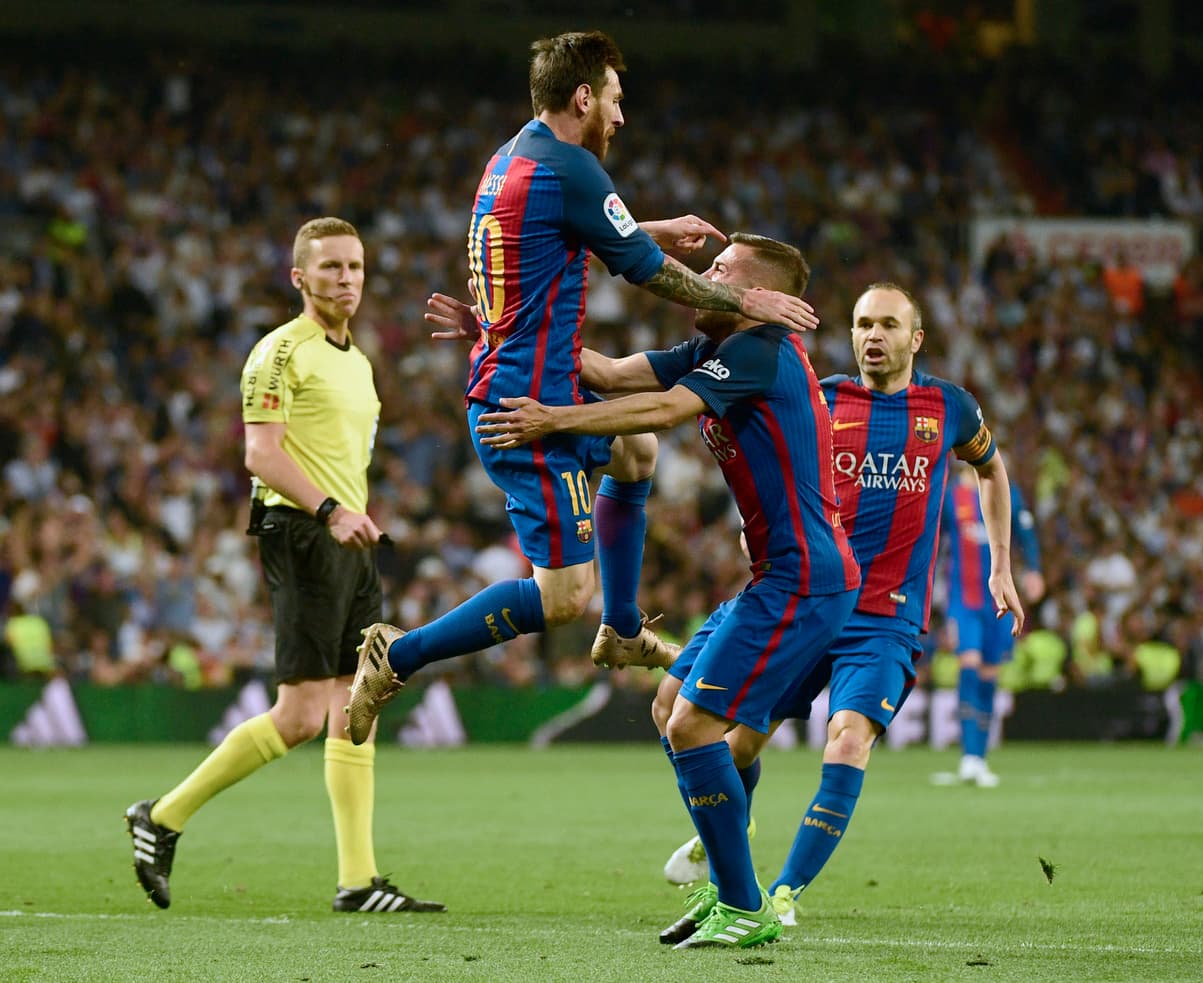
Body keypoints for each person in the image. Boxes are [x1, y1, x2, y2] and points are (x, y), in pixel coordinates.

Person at [355, 234, 859, 949]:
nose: (702, 278)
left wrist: (553, 418)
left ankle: (742, 903)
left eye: (721, 271)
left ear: (758, 293)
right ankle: (728, 887)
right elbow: (613, 371)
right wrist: (501, 337)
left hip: (804, 581)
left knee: (693, 727)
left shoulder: (759, 351)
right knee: (668, 705)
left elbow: (657, 414)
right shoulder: (719, 351)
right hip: (781, 577)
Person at [343, 32, 820, 746]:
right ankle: (396, 653)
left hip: (529, 374)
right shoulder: (572, 168)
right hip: (524, 408)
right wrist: (748, 302)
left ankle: (623, 631)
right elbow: (647, 272)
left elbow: (555, 236)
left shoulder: (513, 158)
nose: (622, 119)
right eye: (617, 101)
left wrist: (647, 228)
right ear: (585, 97)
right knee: (564, 597)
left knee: (635, 452)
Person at [657, 282, 1027, 931]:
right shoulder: (821, 396)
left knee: (847, 738)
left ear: (916, 338)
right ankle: (728, 847)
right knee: (734, 744)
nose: (872, 336)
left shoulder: (951, 409)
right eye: (861, 323)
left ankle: (781, 894)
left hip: (885, 619)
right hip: (812, 599)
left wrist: (1000, 563)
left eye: (888, 324)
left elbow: (991, 469)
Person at [125, 218, 444, 915]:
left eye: (355, 267)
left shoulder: (357, 359)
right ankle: (164, 816)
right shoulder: (277, 352)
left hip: (347, 539)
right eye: (330, 267)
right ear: (299, 277)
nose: (347, 279)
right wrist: (331, 510)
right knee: (300, 713)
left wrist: (351, 513)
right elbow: (261, 455)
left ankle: (358, 881)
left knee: (358, 700)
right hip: (302, 531)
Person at [935, 465, 1044, 787]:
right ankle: (969, 757)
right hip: (963, 599)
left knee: (988, 675)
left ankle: (979, 758)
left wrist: (1034, 570)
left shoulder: (1008, 491)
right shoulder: (952, 494)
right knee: (968, 666)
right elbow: (931, 538)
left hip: (998, 602)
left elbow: (1026, 532)